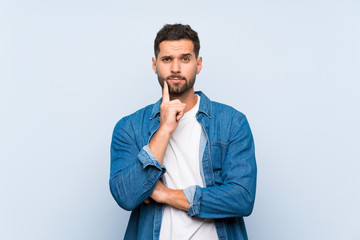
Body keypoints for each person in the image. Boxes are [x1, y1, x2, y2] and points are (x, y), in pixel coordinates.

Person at [109, 23, 257, 240]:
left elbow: (242, 198)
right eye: (167, 59)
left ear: (198, 64)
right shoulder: (129, 128)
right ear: (154, 64)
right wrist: (165, 129)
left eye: (185, 59)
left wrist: (163, 193)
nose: (176, 68)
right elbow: (126, 196)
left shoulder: (232, 123)